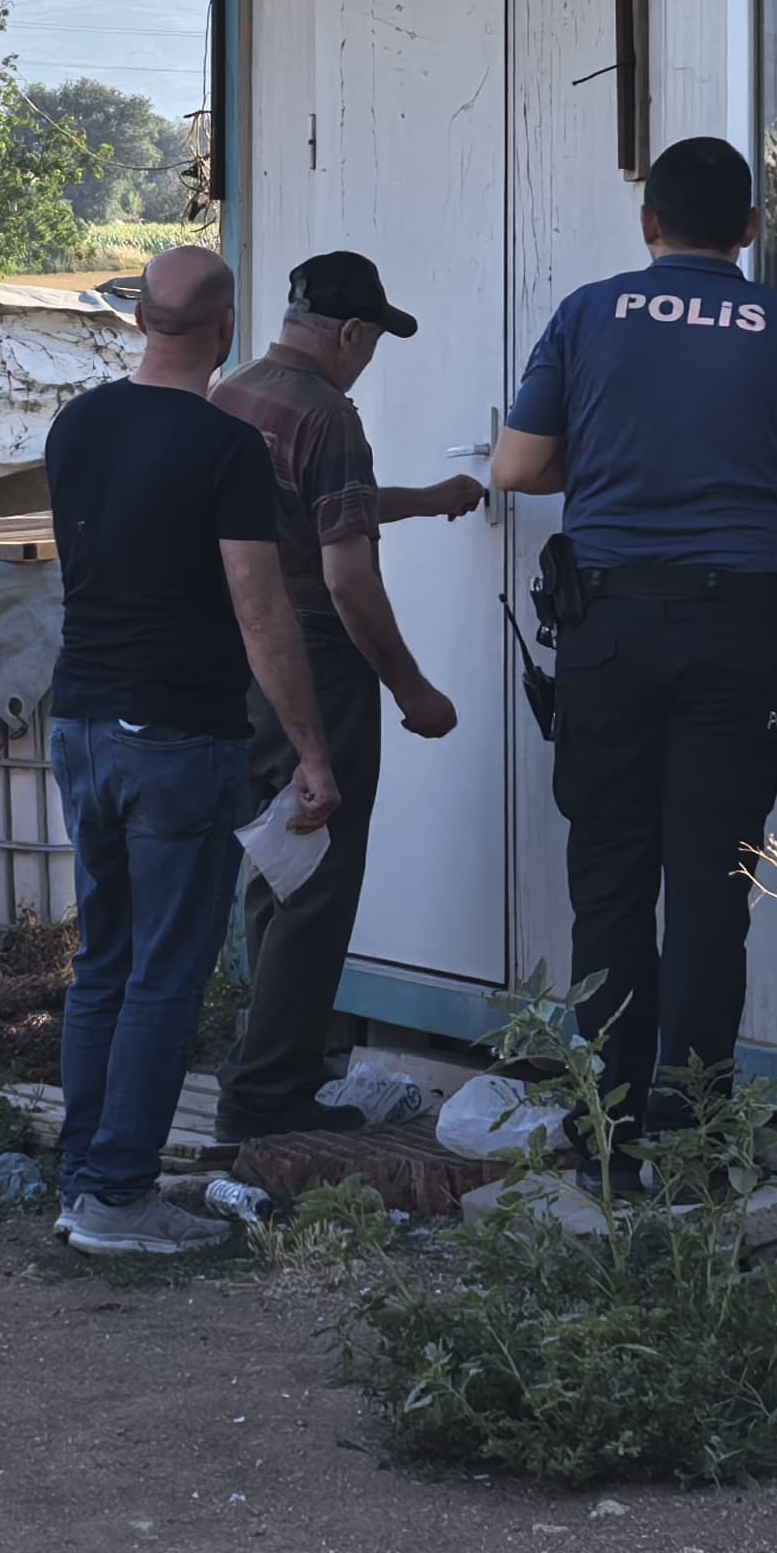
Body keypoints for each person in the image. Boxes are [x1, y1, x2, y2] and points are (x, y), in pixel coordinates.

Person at [491, 135, 777, 1123]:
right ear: (749, 230)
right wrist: (747, 471)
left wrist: (626, 465)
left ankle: (607, 1117)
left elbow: (517, 468)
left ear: (648, 224)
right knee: (713, 881)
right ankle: (697, 1121)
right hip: (734, 629)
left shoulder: (587, 315)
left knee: (610, 873)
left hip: (608, 625)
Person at [39, 245, 342, 1254]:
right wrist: (311, 749)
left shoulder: (76, 425)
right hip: (176, 736)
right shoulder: (226, 448)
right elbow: (261, 610)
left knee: (104, 964)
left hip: (80, 722)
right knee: (166, 974)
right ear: (223, 329)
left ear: (136, 320)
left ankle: (84, 1178)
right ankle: (120, 1197)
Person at [206, 249, 486, 1140]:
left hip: (240, 665)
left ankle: (268, 1058)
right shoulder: (328, 415)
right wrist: (413, 689)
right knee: (318, 880)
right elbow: (348, 581)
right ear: (353, 332)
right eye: (372, 344)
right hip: (316, 671)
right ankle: (272, 1093)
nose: (369, 361)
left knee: (276, 866)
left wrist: (431, 497)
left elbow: (318, 507)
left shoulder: (238, 392)